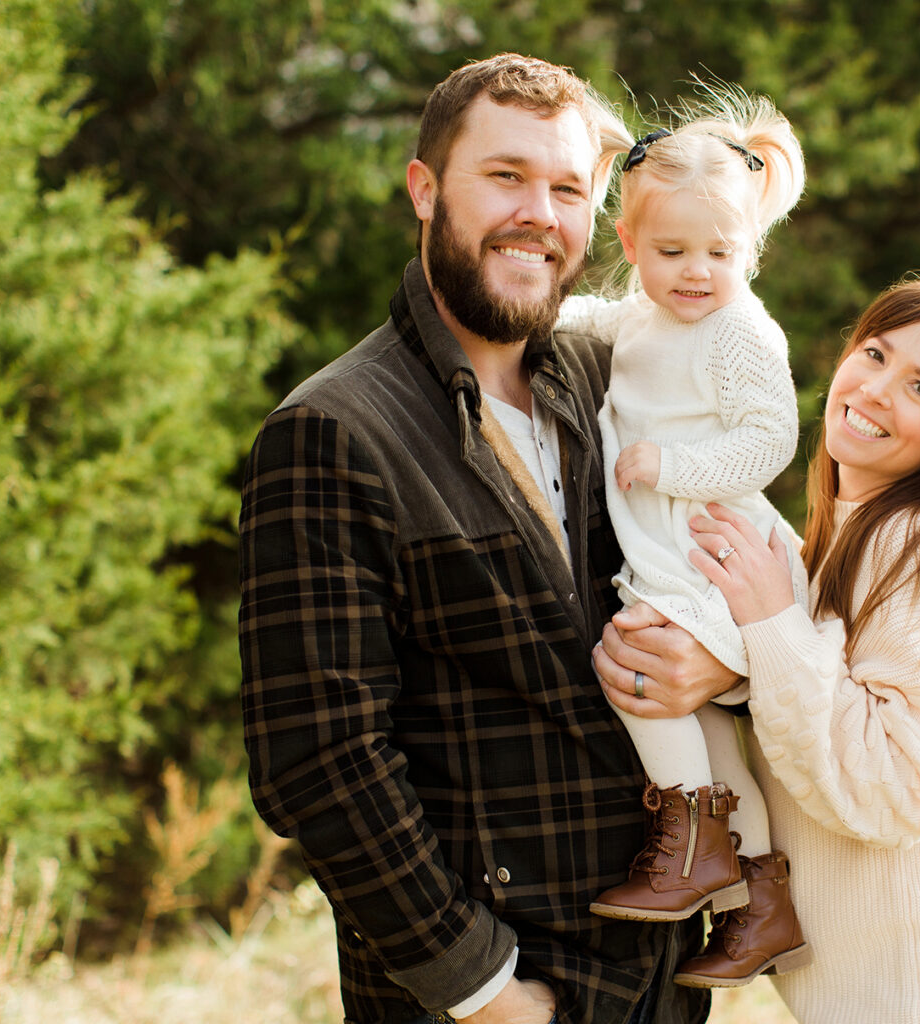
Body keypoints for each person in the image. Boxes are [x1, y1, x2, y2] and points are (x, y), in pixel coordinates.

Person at [238, 53, 738, 1024]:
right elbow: (320, 761)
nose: (538, 214)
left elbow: (727, 559)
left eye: (565, 188)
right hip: (486, 999)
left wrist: (719, 665)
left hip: (653, 982)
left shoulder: (613, 378)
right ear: (426, 190)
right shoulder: (335, 433)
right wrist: (487, 991)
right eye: (505, 176)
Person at [608, 275, 920, 1021]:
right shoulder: (845, 539)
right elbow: (817, 695)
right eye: (875, 354)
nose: (878, 390)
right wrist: (723, 662)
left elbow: (896, 792)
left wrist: (765, 629)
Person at [552, 89, 811, 989]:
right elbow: (604, 322)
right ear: (630, 246)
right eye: (670, 253)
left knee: (638, 673)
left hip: (710, 548)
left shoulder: (741, 330)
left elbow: (770, 440)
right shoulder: (650, 312)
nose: (696, 271)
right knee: (704, 718)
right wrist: (545, 315)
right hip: (667, 546)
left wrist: (671, 464)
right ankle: (761, 901)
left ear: (751, 250)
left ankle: (695, 836)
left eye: (721, 253)